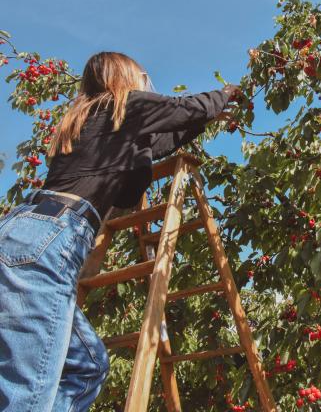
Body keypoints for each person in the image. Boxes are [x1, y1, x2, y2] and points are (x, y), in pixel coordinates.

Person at [0, 51, 239, 411]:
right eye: (143, 77)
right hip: (48, 241)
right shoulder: (125, 103)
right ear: (127, 77)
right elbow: (186, 108)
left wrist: (204, 120)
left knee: (86, 366)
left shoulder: (91, 120)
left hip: (25, 233)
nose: (147, 83)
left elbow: (161, 140)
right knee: (29, 394)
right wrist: (227, 94)